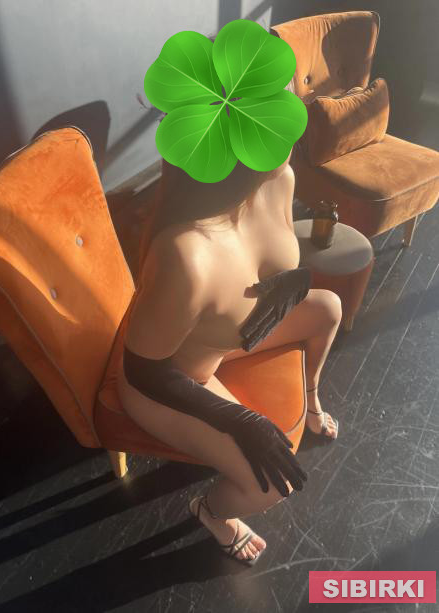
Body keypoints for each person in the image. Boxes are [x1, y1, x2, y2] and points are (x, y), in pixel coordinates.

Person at [116, 79, 342, 565]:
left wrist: (290, 286)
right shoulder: (187, 255)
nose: (296, 116)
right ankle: (211, 513)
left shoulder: (278, 178)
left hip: (233, 332)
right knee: (272, 485)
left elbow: (271, 263)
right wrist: (240, 419)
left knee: (328, 308)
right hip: (175, 378)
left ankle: (311, 394)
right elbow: (143, 371)